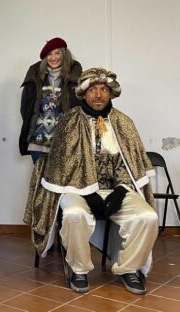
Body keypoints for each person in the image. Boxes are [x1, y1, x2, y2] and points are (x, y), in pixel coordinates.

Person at [24, 68, 158, 295]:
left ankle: (129, 269)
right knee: (75, 215)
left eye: (103, 90)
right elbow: (61, 165)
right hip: (75, 189)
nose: (98, 95)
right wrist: (87, 192)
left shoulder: (124, 123)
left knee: (147, 217)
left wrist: (121, 190)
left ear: (111, 93)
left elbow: (130, 164)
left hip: (116, 190)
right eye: (93, 90)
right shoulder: (68, 121)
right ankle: (79, 269)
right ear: (84, 93)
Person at [19, 37, 82, 163]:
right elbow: (25, 109)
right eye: (49, 54)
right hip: (38, 142)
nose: (53, 57)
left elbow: (82, 109)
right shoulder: (34, 79)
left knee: (63, 182)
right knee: (40, 181)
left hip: (66, 143)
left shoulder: (77, 79)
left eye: (57, 53)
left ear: (65, 54)